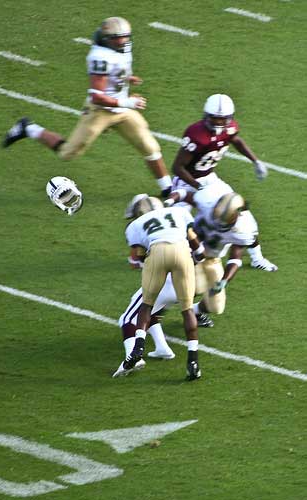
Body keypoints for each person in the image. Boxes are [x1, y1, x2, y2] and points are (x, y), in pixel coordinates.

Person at [2, 17, 172, 197]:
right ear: (107, 38)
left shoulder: (123, 46)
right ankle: (28, 128)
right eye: (117, 37)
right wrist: (127, 102)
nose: (122, 41)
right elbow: (97, 97)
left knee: (150, 147)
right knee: (67, 154)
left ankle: (168, 189)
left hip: (123, 110)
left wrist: (127, 79)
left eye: (125, 36)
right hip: (100, 112)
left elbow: (118, 69)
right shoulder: (99, 56)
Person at [171, 93, 277, 272]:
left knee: (242, 213)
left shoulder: (230, 128)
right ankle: (161, 257)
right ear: (206, 116)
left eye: (223, 119)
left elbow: (236, 140)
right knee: (177, 225)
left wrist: (255, 160)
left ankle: (257, 258)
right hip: (187, 181)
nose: (219, 123)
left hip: (210, 178)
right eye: (215, 118)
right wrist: (198, 187)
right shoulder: (196, 134)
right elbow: (177, 168)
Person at [113, 194, 205, 381]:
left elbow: (137, 258)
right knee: (186, 310)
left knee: (138, 310)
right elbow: (199, 250)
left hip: (160, 264)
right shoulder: (178, 212)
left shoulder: (136, 225)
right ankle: (191, 360)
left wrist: (144, 261)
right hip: (186, 265)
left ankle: (136, 350)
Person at [164, 180, 273, 319]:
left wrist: (225, 280)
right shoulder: (209, 199)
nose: (218, 223)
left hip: (212, 258)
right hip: (189, 250)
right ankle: (151, 309)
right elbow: (184, 194)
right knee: (193, 288)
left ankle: (195, 312)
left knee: (216, 306)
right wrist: (169, 201)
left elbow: (236, 255)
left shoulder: (244, 229)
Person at [113, 273, 214, 378]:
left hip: (168, 283)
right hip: (190, 285)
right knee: (153, 311)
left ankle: (133, 355)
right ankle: (162, 348)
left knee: (128, 318)